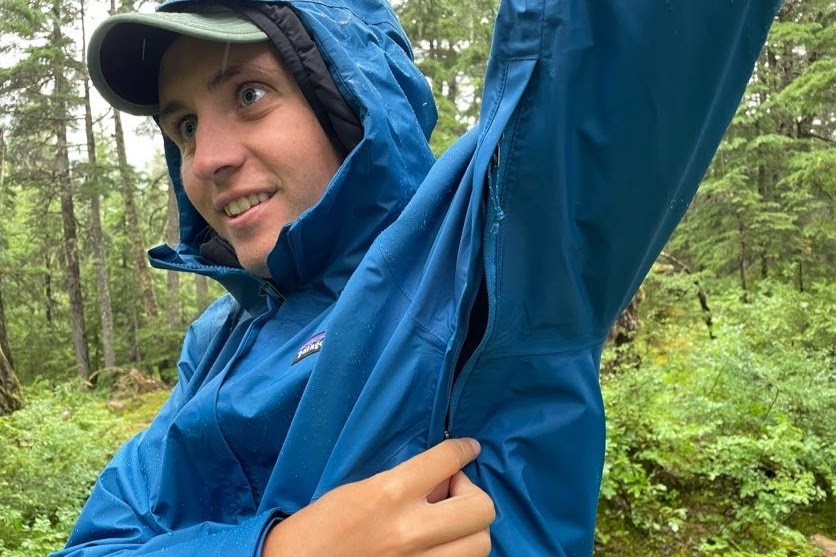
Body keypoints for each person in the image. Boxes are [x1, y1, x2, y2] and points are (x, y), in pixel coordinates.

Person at [58, 0, 780, 555]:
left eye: (249, 95)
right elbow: (94, 541)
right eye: (184, 126)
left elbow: (613, 38)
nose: (206, 157)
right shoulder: (214, 342)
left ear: (346, 95)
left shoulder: (486, 252)